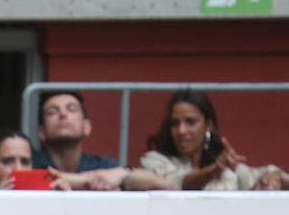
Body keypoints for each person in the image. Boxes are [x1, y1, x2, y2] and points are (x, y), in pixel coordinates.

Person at [139, 89, 284, 191]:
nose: (181, 131)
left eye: (190, 122)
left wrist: (273, 177)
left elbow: (260, 174)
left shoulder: (224, 167)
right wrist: (213, 170)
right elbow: (175, 183)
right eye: (175, 123)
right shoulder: (153, 161)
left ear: (208, 126)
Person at [33, 90, 166, 191]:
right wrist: (87, 181)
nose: (63, 115)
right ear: (41, 132)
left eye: (71, 109)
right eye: (52, 112)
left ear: (87, 127)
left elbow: (162, 184)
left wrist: (122, 174)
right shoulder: (29, 163)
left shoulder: (102, 165)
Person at [0, 129, 69, 190]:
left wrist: (64, 202)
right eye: (8, 162)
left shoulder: (41, 204)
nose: (18, 169)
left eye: (25, 162)